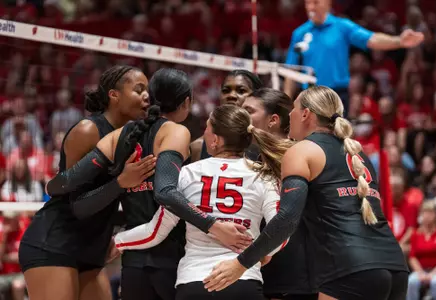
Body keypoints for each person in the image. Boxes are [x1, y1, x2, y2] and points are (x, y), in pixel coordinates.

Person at [44, 68, 254, 300]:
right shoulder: (176, 132)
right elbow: (165, 192)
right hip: (170, 262)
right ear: (186, 103)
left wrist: (119, 183)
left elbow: (58, 187)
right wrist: (214, 226)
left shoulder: (119, 135)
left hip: (134, 266)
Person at [205, 86, 409, 300]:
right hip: (394, 265)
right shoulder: (358, 153)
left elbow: (286, 219)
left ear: (305, 114)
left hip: (350, 268)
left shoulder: (302, 150)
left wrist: (240, 264)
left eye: (294, 108)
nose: (290, 114)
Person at [113, 104, 294, 300]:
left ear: (215, 140)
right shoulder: (263, 175)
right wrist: (260, 252)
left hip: (195, 282)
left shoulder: (188, 173)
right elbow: (282, 232)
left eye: (207, 127)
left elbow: (154, 232)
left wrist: (118, 241)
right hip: (243, 281)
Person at [18, 65, 157, 300]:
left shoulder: (134, 137)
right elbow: (76, 204)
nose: (146, 96)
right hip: (54, 242)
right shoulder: (88, 130)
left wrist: (120, 236)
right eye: (138, 89)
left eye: (148, 91)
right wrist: (121, 182)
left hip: (91, 248)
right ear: (114, 95)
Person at [284, 0, 424, 117]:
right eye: (307, 3)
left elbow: (372, 39)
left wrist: (399, 41)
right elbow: (290, 71)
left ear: (327, 3)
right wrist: (286, 106)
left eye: (315, 2)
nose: (310, 7)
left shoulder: (342, 26)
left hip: (337, 96)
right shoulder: (299, 33)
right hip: (310, 98)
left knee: (337, 144)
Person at [243, 88, 318, 300]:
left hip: (294, 271)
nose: (242, 115)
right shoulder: (245, 157)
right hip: (257, 267)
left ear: (273, 120)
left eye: (248, 110)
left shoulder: (303, 154)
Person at [190, 69, 263, 162]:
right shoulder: (198, 147)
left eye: (241, 91)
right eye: (226, 90)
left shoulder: (268, 148)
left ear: (257, 97)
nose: (231, 95)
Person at [406, 201, 436, 300]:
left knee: (435, 282)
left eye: (430, 213)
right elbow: (412, 257)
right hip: (422, 270)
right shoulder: (416, 234)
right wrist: (420, 272)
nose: (427, 216)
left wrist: (434, 272)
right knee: (411, 281)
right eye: (424, 213)